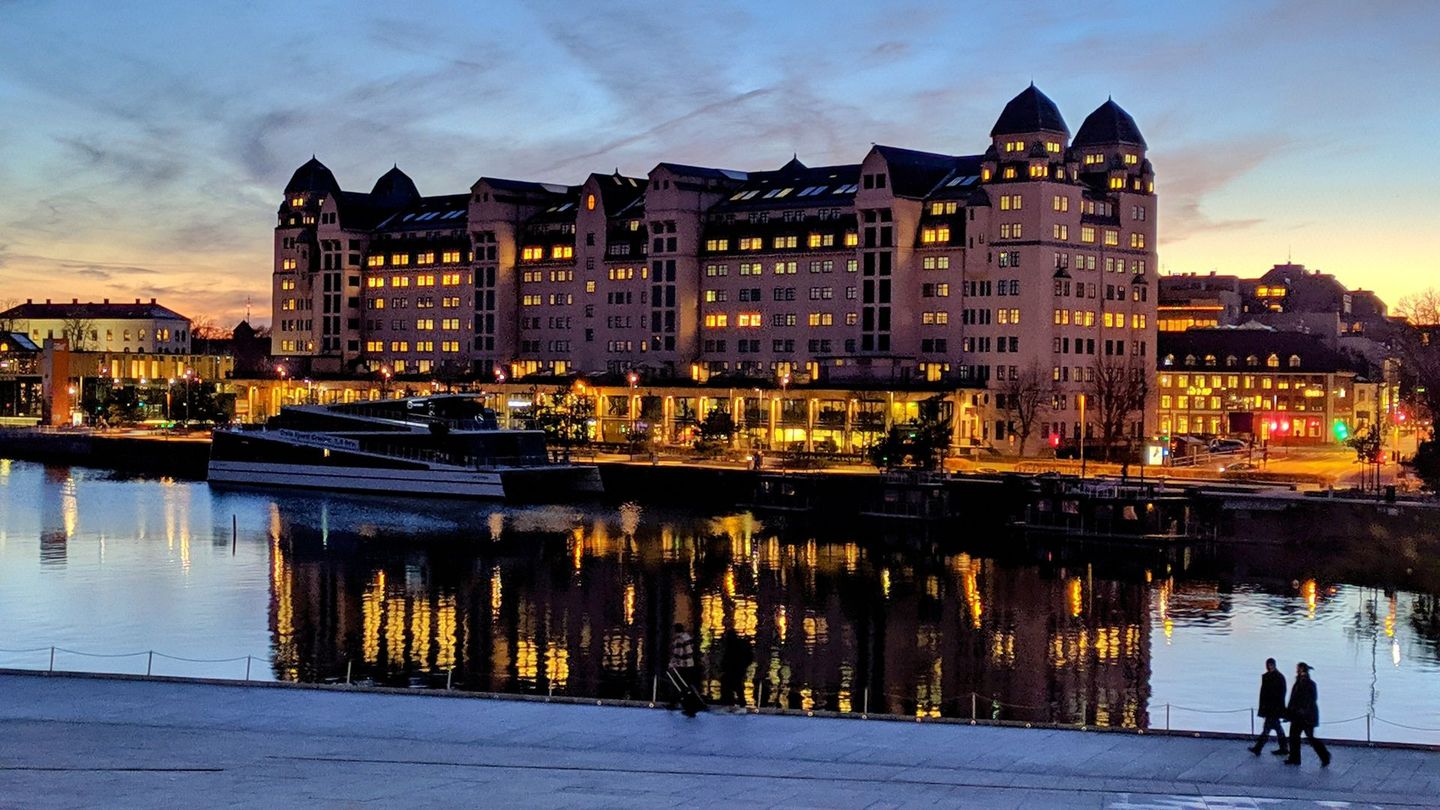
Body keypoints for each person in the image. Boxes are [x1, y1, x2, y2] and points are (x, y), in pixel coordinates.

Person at [1284, 662, 1331, 767]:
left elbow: (1311, 700)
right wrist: (1289, 713)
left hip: (1307, 716)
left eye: (1299, 669)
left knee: (1310, 738)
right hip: (1297, 716)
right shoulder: (1298, 682)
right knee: (1294, 736)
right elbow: (1293, 699)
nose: (1297, 671)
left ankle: (1325, 756)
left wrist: (1302, 710)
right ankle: (1294, 758)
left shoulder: (1309, 684)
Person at [1248, 657, 1289, 756]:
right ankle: (1283, 748)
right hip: (1270, 708)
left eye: (1270, 665)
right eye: (1268, 665)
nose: (1269, 667)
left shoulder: (1278, 677)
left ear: (1274, 665)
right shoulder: (1269, 677)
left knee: (1268, 729)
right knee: (1276, 728)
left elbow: (1281, 694)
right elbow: (1264, 694)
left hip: (1273, 708)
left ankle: (1258, 748)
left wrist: (1279, 708)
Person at [718, 628, 753, 709]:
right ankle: (740, 703)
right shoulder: (741, 644)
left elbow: (726, 658)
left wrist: (723, 667)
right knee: (738, 687)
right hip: (739, 669)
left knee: (730, 686)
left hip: (733, 669)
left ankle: (730, 703)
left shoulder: (731, 646)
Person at [667, 622, 698, 709]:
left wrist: (671, 664)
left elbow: (678, 654)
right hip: (690, 664)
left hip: (683, 665)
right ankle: (688, 702)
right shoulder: (687, 636)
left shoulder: (679, 639)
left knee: (677, 684)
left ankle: (675, 703)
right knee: (686, 684)